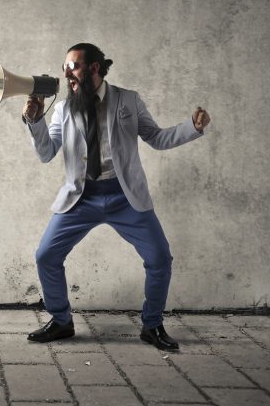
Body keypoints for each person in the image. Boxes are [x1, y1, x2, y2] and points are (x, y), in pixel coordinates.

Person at [22, 43, 210, 350]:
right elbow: (46, 153)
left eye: (74, 66)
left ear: (94, 68)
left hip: (126, 197)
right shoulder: (64, 109)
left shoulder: (128, 100)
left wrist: (192, 128)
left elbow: (157, 138)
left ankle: (152, 326)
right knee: (46, 256)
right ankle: (61, 321)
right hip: (80, 198)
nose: (67, 73)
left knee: (160, 258)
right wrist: (35, 121)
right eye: (65, 67)